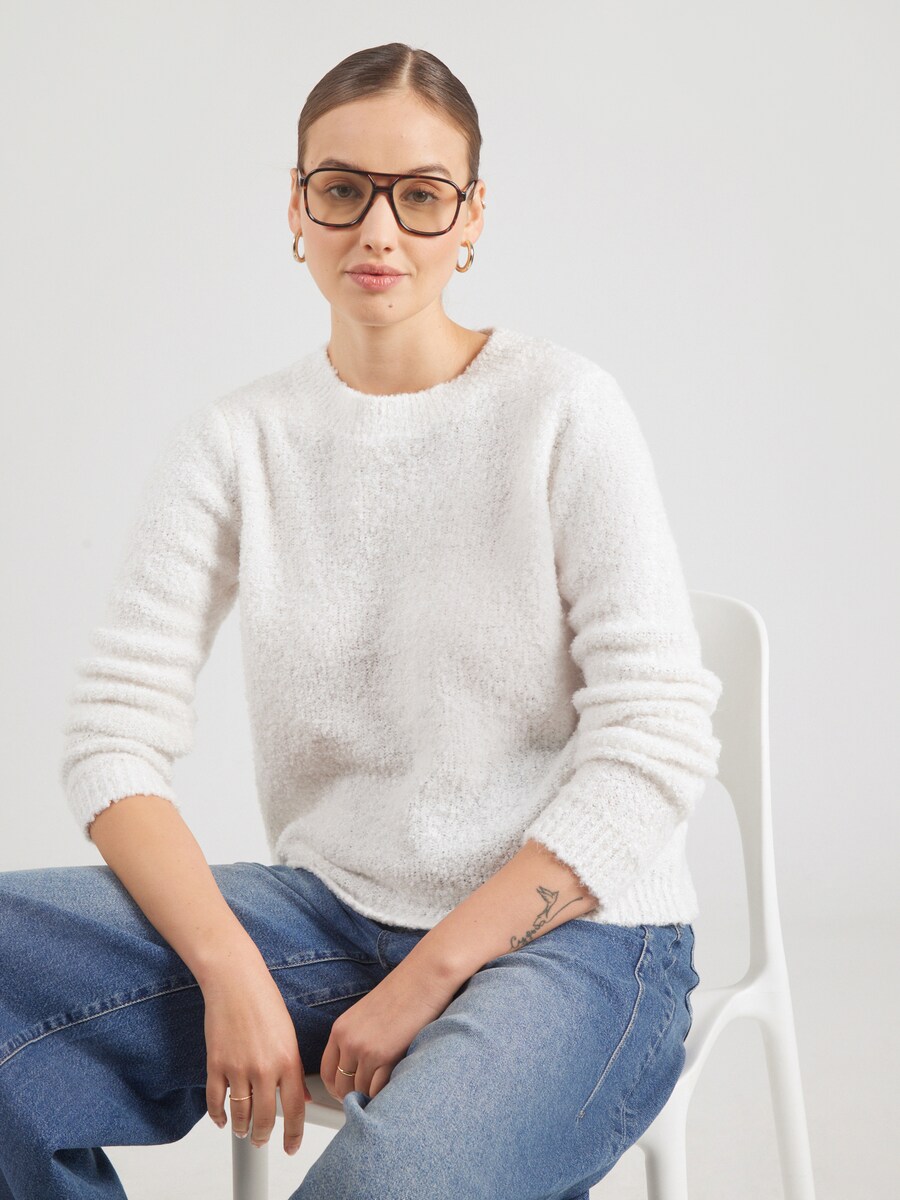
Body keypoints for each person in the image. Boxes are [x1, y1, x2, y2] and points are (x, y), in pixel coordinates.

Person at [0, 41, 723, 1200]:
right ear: (297, 204)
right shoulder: (236, 442)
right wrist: (230, 968)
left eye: (421, 196)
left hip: (579, 942)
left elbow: (656, 746)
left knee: (389, 1185)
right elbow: (110, 740)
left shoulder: (563, 408)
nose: (378, 232)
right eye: (343, 189)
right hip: (329, 916)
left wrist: (430, 975)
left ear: (471, 215)